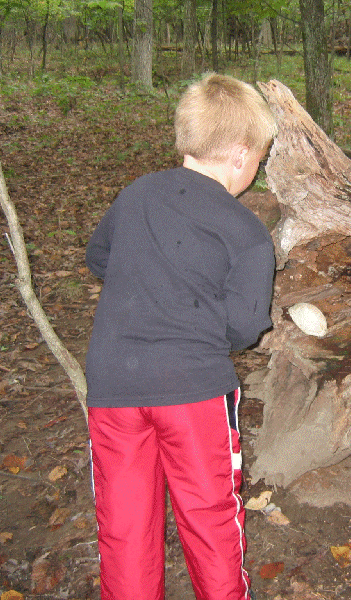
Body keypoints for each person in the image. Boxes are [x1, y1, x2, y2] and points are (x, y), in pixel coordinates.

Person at [84, 72, 277, 600]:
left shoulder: (136, 195)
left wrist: (149, 286)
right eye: (260, 160)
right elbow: (244, 327)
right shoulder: (247, 233)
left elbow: (98, 256)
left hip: (113, 386)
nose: (256, 172)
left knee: (123, 527)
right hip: (194, 392)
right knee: (211, 519)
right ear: (241, 154)